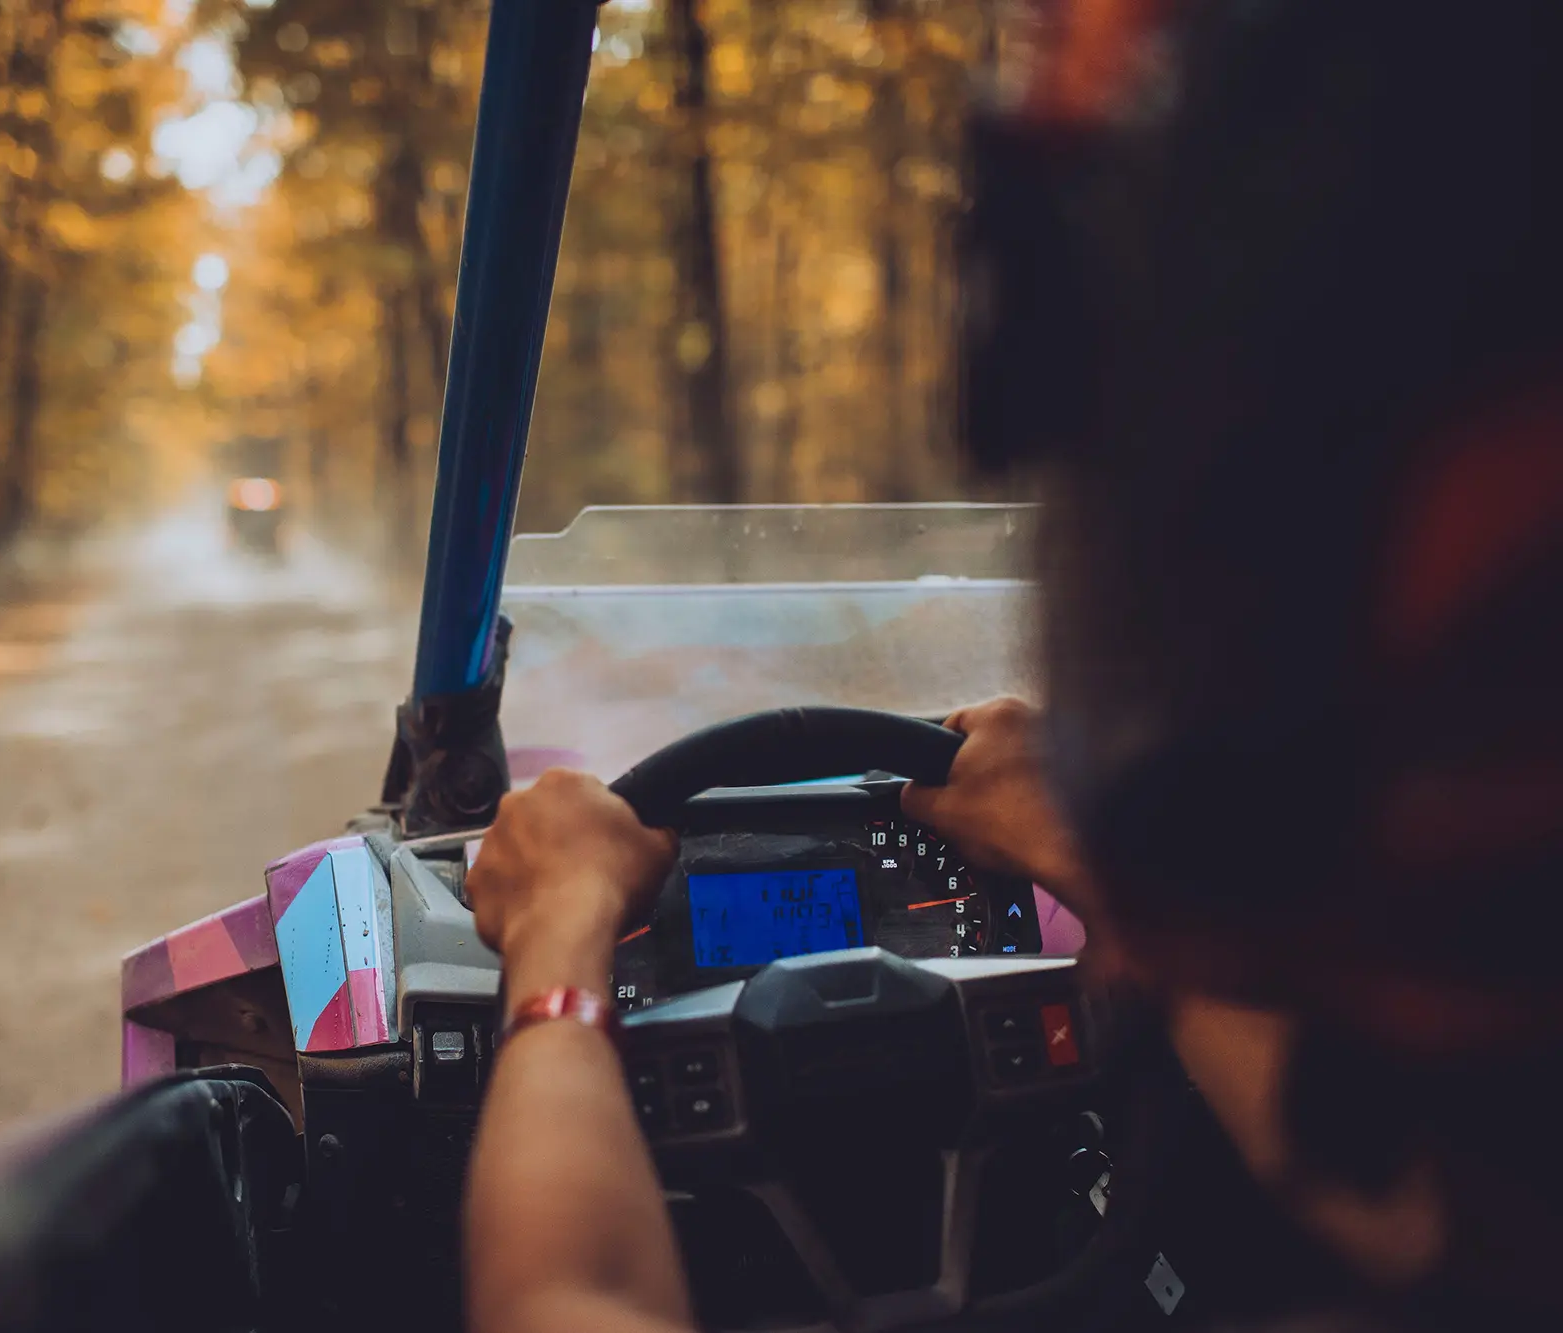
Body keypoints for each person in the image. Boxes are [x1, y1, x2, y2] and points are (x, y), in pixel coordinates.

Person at [461, 1, 1561, 1330]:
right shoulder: (1493, 1181)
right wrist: (1094, 861)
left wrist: (561, 944)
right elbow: (1380, 1184)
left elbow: (572, 1297)